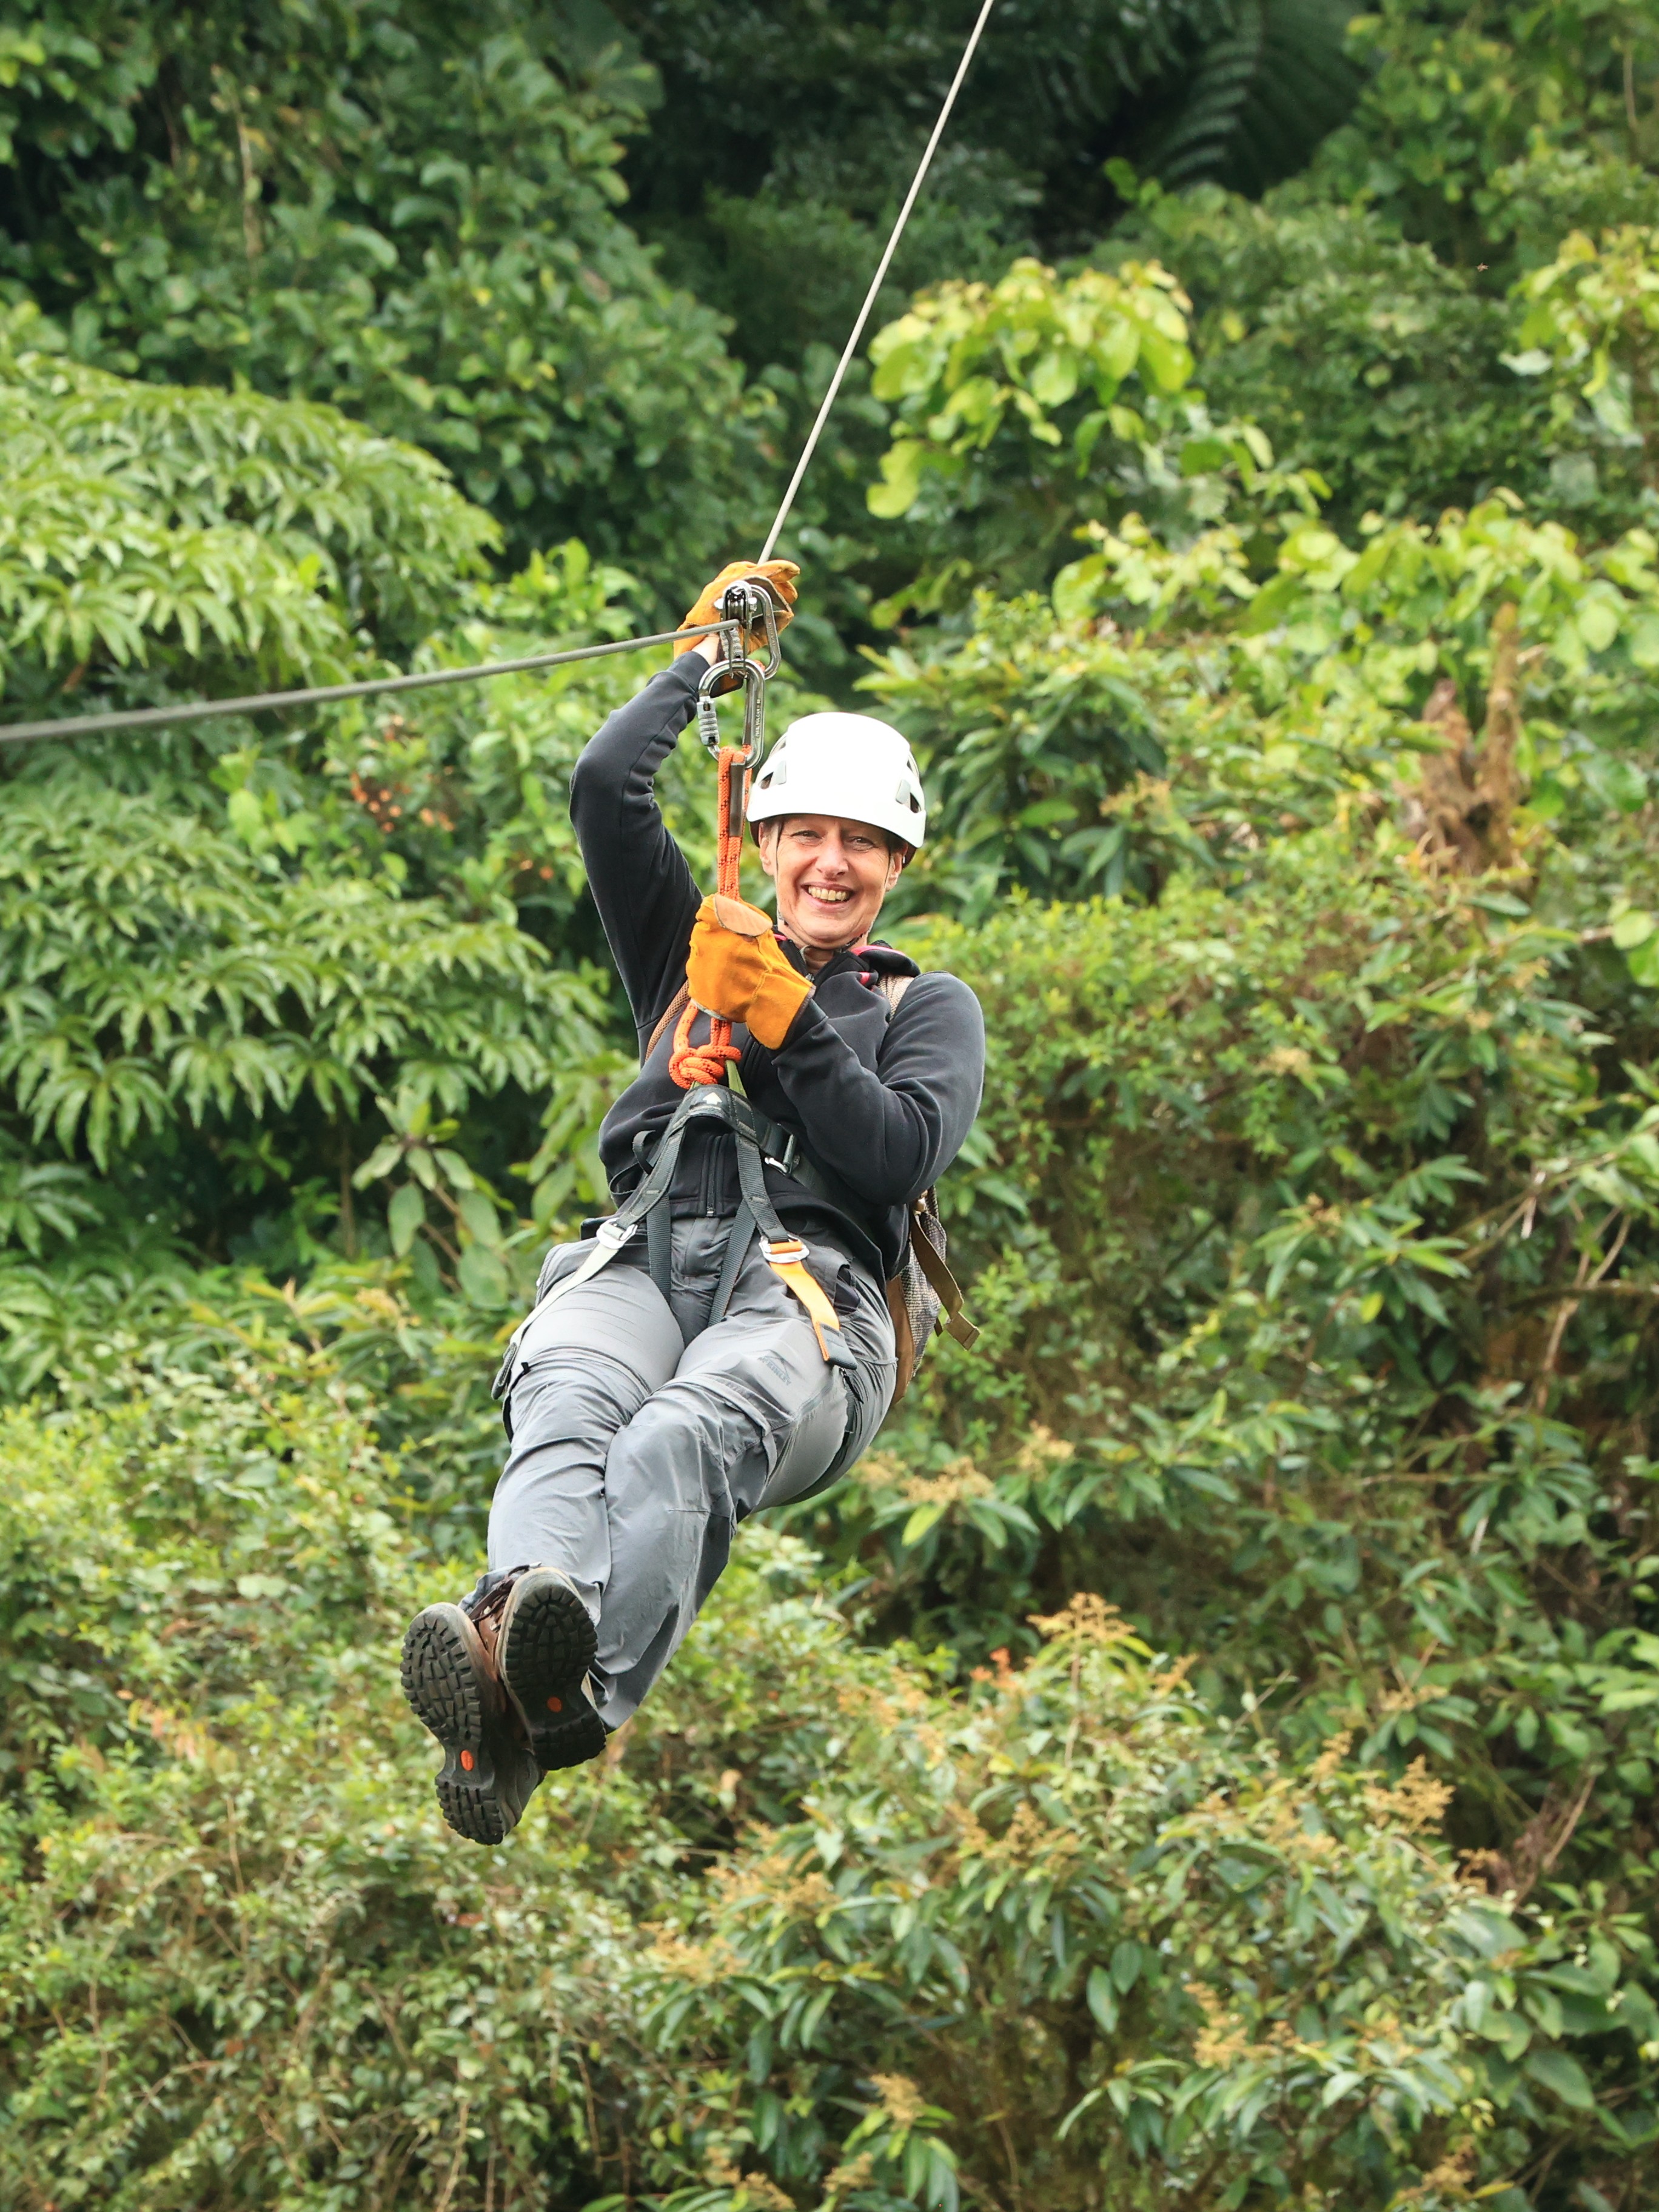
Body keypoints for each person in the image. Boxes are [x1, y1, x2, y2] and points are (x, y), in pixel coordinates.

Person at [399, 563, 985, 1844]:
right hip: (651, 1250)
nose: (831, 865)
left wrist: (780, 1016)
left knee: (675, 1437)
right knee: (564, 1394)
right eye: (808, 837)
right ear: (767, 843)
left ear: (895, 865)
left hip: (807, 1303)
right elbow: (606, 793)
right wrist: (698, 667)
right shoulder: (688, 944)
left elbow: (892, 1159)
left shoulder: (918, 1009)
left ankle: (575, 1700)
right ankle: (504, 1690)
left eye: (861, 846)